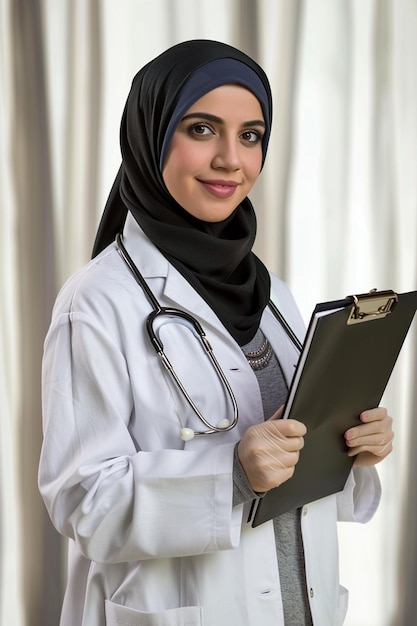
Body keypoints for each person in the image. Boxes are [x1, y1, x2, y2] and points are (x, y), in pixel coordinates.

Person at [39, 39, 394, 626]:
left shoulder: (273, 293)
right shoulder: (97, 303)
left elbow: (291, 464)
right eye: (202, 130)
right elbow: (82, 503)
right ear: (152, 138)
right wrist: (230, 473)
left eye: (250, 135)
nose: (232, 159)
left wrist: (351, 445)